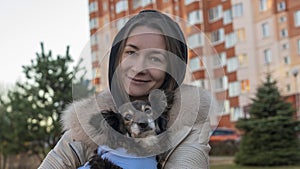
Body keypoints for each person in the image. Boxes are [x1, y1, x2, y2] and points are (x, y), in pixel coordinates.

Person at [39, 9, 214, 169]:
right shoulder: (88, 121)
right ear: (117, 57)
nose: (138, 68)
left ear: (172, 70)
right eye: (131, 52)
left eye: (155, 59)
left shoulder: (188, 120)